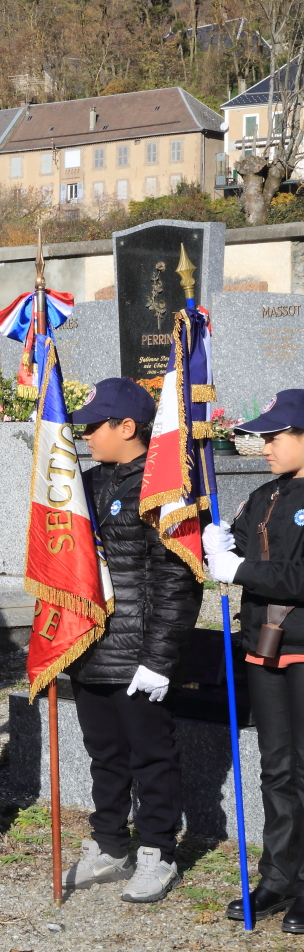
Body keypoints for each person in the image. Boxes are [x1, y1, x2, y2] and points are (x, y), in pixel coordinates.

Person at [60, 377, 200, 903]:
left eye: (94, 426)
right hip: (89, 646)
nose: (86, 435)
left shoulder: (161, 487)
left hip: (139, 653)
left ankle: (157, 851)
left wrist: (159, 659)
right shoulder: (82, 483)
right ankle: (110, 844)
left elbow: (175, 580)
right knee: (104, 754)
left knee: (151, 755)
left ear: (127, 427)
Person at [207, 390, 304, 928]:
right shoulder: (264, 495)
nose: (265, 447)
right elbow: (239, 544)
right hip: (264, 648)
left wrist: (239, 569)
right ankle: (279, 875)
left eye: (275, 437)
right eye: (263, 438)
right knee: (276, 767)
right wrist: (217, 543)